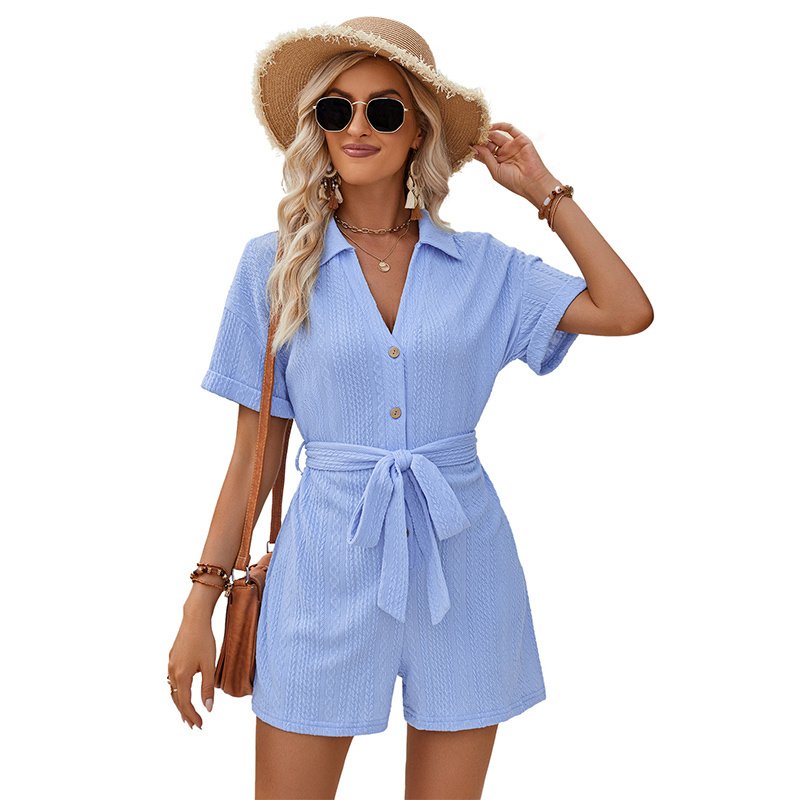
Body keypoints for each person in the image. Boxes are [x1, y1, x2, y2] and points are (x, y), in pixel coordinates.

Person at [168, 16, 653, 799]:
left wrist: (545, 192)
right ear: (318, 127)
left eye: (384, 109)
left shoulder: (484, 268)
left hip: (464, 571)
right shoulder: (274, 266)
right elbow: (251, 461)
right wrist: (201, 602)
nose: (358, 127)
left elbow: (626, 310)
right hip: (321, 574)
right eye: (337, 109)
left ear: (418, 128)